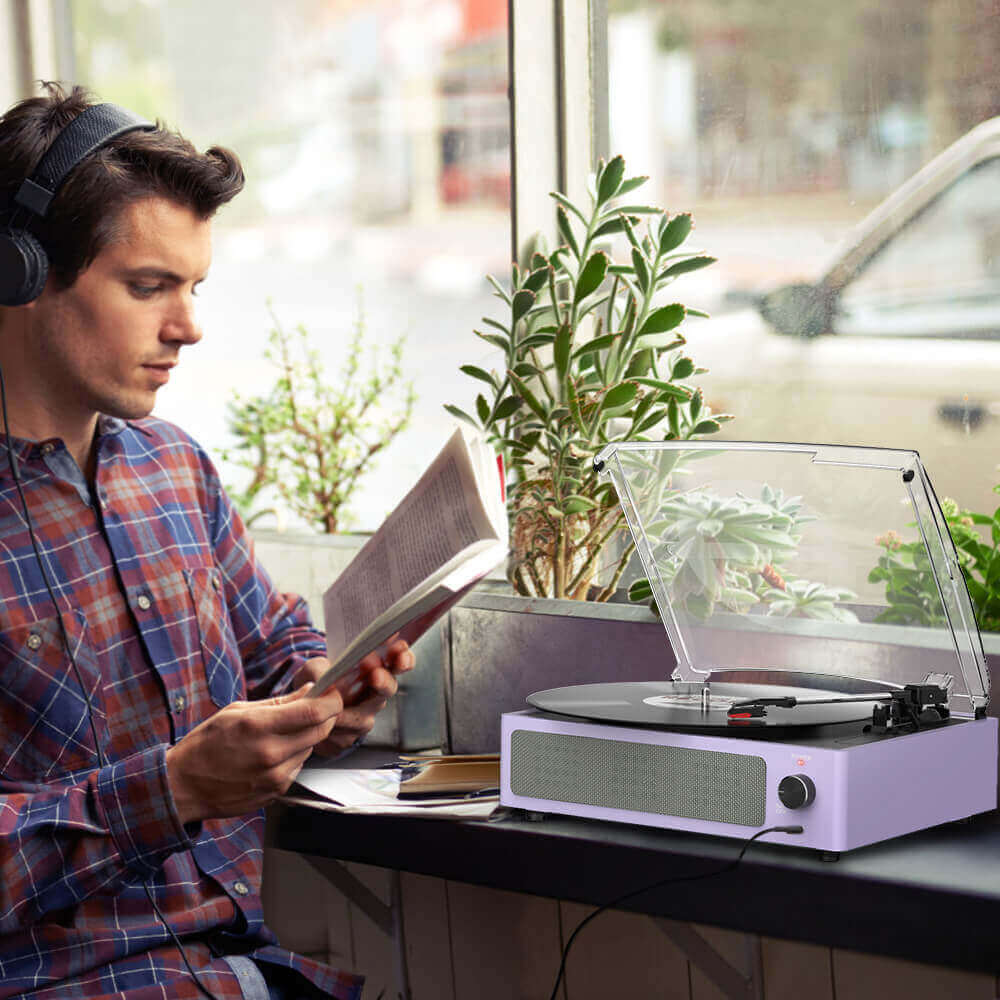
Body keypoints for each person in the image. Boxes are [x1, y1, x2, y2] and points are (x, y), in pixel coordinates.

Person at [0, 82, 414, 999]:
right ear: (19, 272)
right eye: (149, 287)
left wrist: (324, 695)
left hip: (259, 964)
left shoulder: (173, 469)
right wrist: (177, 787)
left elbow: (275, 654)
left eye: (192, 288)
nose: (188, 327)